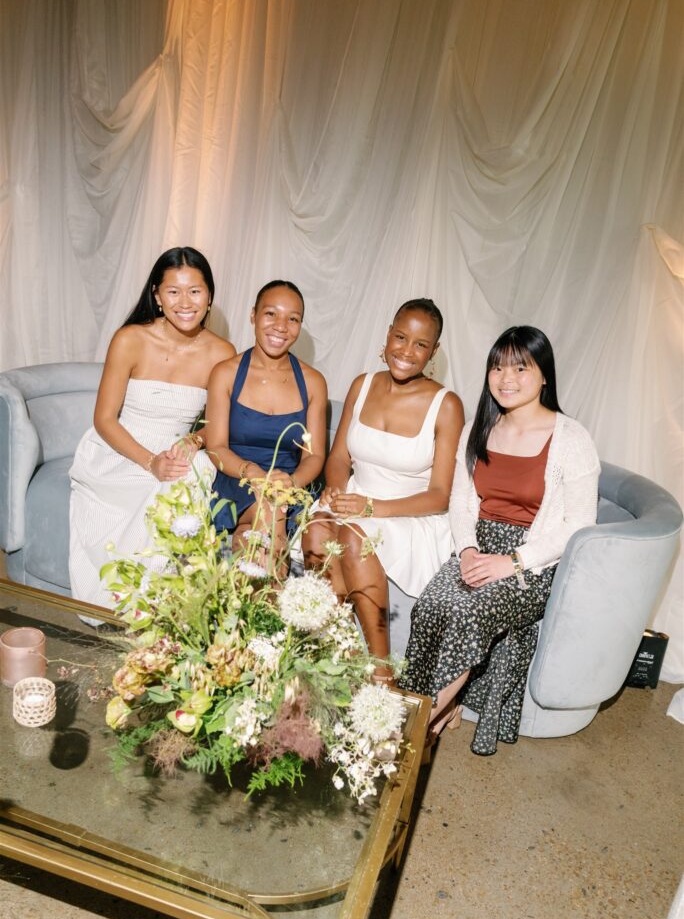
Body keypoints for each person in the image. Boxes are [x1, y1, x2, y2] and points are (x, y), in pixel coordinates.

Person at [401, 326, 600, 755]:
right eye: (497, 367)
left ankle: (417, 726)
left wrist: (513, 561)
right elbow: (461, 500)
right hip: (476, 549)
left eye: (520, 368)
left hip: (531, 564)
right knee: (432, 604)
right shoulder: (481, 426)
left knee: (467, 611)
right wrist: (468, 549)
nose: (505, 378)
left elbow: (578, 523)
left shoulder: (572, 439)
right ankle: (433, 704)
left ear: (544, 375)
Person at [302, 298, 464, 681]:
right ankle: (335, 645)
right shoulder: (362, 385)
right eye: (401, 337)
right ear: (388, 334)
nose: (406, 351)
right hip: (356, 498)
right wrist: (336, 490)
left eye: (420, 345)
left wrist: (370, 508)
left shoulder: (447, 406)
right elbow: (338, 457)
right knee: (315, 530)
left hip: (409, 514)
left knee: (356, 536)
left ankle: (380, 668)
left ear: (433, 352)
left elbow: (440, 494)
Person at [69, 246, 235, 608]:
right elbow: (104, 419)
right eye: (173, 291)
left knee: (195, 473)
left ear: (209, 297)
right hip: (120, 450)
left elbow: (217, 424)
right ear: (157, 296)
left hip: (175, 450)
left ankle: (161, 604)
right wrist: (149, 462)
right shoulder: (130, 339)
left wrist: (194, 439)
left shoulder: (222, 352)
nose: (185, 301)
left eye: (195, 291)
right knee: (167, 486)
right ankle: (135, 603)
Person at [204, 280, 327, 560]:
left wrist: (291, 483)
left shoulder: (314, 382)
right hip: (236, 478)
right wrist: (253, 474)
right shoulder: (225, 373)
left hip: (288, 485)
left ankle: (248, 593)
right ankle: (270, 590)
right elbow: (217, 447)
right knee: (269, 508)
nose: (281, 326)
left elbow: (315, 456)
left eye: (293, 319)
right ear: (253, 315)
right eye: (271, 314)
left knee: (251, 534)